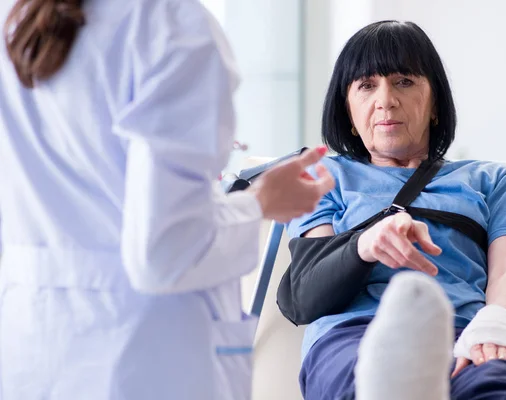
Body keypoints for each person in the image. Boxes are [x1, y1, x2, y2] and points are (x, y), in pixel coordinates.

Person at [0, 0, 334, 399]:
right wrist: (262, 202)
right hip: (140, 357)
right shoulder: (169, 26)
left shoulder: (15, 19)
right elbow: (164, 250)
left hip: (33, 346)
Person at [279, 20, 506, 399]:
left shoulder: (494, 180)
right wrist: (365, 245)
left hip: (473, 329)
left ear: (435, 104)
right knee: (368, 378)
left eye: (404, 82)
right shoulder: (320, 176)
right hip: (360, 331)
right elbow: (308, 288)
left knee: (499, 385)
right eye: (366, 85)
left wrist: (497, 321)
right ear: (348, 111)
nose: (385, 100)